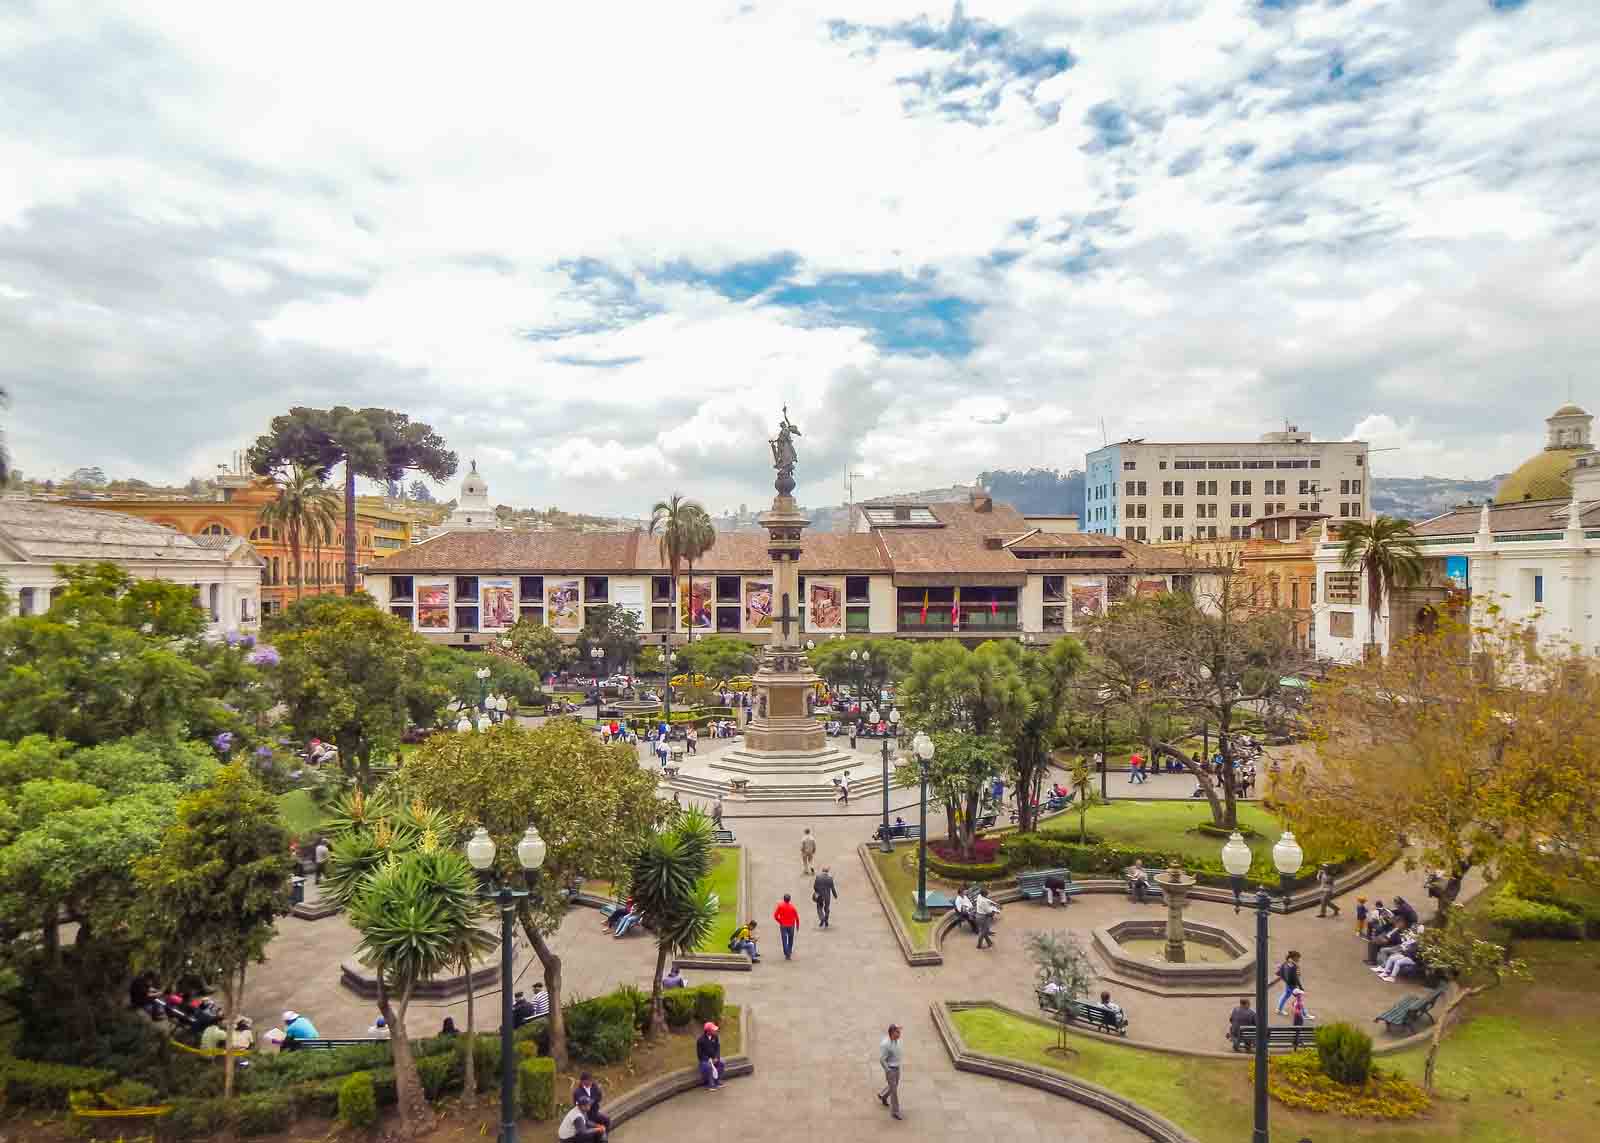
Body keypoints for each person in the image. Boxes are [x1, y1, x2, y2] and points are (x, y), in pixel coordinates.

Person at [878, 1023, 904, 1121]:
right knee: (894, 1091)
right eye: (897, 1032)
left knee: (894, 1086)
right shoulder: (886, 1044)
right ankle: (895, 1112)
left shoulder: (896, 1040)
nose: (899, 1034)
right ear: (892, 1033)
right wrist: (888, 1070)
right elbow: (882, 1059)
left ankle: (883, 1095)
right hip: (891, 1069)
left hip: (897, 1067)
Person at [697, 1022, 726, 1090]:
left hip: (714, 1058)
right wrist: (709, 1060)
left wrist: (716, 1057)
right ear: (708, 1031)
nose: (715, 1031)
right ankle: (711, 1084)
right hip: (704, 1061)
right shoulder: (700, 1040)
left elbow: (717, 1048)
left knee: (722, 1062)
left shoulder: (715, 1037)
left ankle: (717, 1081)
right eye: (713, 1030)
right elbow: (700, 1055)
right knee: (708, 1066)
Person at [1273, 951, 1303, 1016]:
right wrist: (1300, 987)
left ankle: (1279, 1009)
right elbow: (1295, 977)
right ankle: (1302, 1012)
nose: (1299, 959)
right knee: (1299, 997)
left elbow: (1281, 971)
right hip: (1292, 985)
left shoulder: (1287, 962)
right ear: (1294, 957)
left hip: (1289, 984)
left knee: (1286, 995)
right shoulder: (1293, 965)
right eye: (1298, 958)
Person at [774, 893, 800, 960]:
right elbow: (797, 917)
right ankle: (789, 951)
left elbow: (775, 915)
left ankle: (786, 953)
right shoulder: (792, 907)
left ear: (784, 899)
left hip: (783, 925)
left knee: (784, 939)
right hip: (791, 925)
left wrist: (780, 921)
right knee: (791, 939)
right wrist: (797, 926)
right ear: (789, 900)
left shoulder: (780, 906)